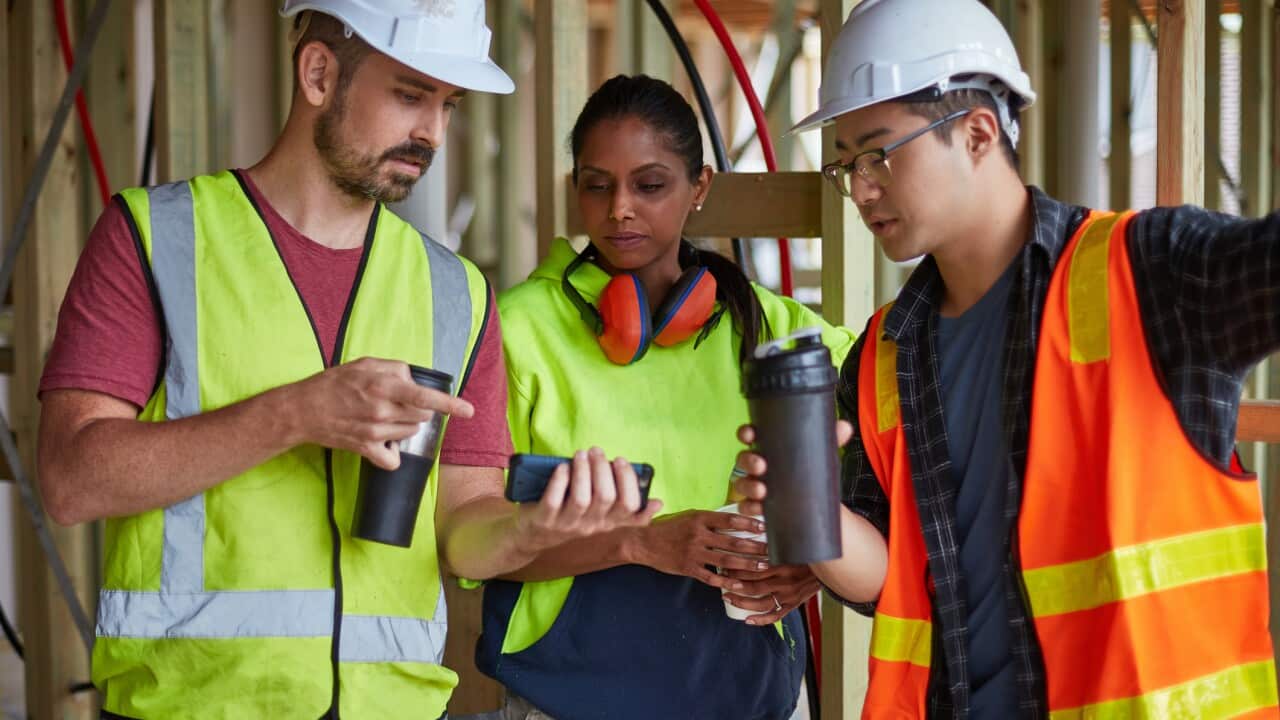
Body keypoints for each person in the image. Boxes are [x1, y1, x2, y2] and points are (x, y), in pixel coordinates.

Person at [36, 2, 655, 718]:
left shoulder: (455, 293)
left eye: (448, 104)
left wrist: (530, 533)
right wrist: (296, 413)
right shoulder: (155, 239)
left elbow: (463, 528)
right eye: (409, 94)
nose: (432, 132)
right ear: (319, 73)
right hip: (195, 705)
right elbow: (69, 481)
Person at [731, 0, 1280, 717]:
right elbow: (888, 577)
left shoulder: (1149, 273)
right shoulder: (881, 353)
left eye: (877, 152)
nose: (861, 187)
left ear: (978, 132)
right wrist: (804, 510)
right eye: (845, 165)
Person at [467, 74, 857, 720]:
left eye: (650, 185)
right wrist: (642, 543)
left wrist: (821, 564)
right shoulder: (515, 331)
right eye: (597, 185)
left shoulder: (769, 330)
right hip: (568, 700)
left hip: (754, 697)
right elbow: (473, 548)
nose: (620, 208)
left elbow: (896, 425)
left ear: (699, 188)